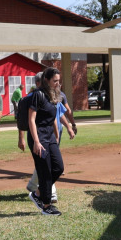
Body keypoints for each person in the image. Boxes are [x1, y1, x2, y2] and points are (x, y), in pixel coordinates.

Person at [25, 67, 75, 215]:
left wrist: (65, 129)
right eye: (55, 81)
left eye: (59, 81)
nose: (58, 84)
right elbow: (31, 120)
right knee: (45, 171)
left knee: (58, 167)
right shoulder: (38, 95)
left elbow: (55, 115)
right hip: (38, 137)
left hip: (50, 136)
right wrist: (36, 141)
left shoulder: (54, 95)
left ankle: (38, 193)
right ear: (46, 81)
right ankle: (46, 206)